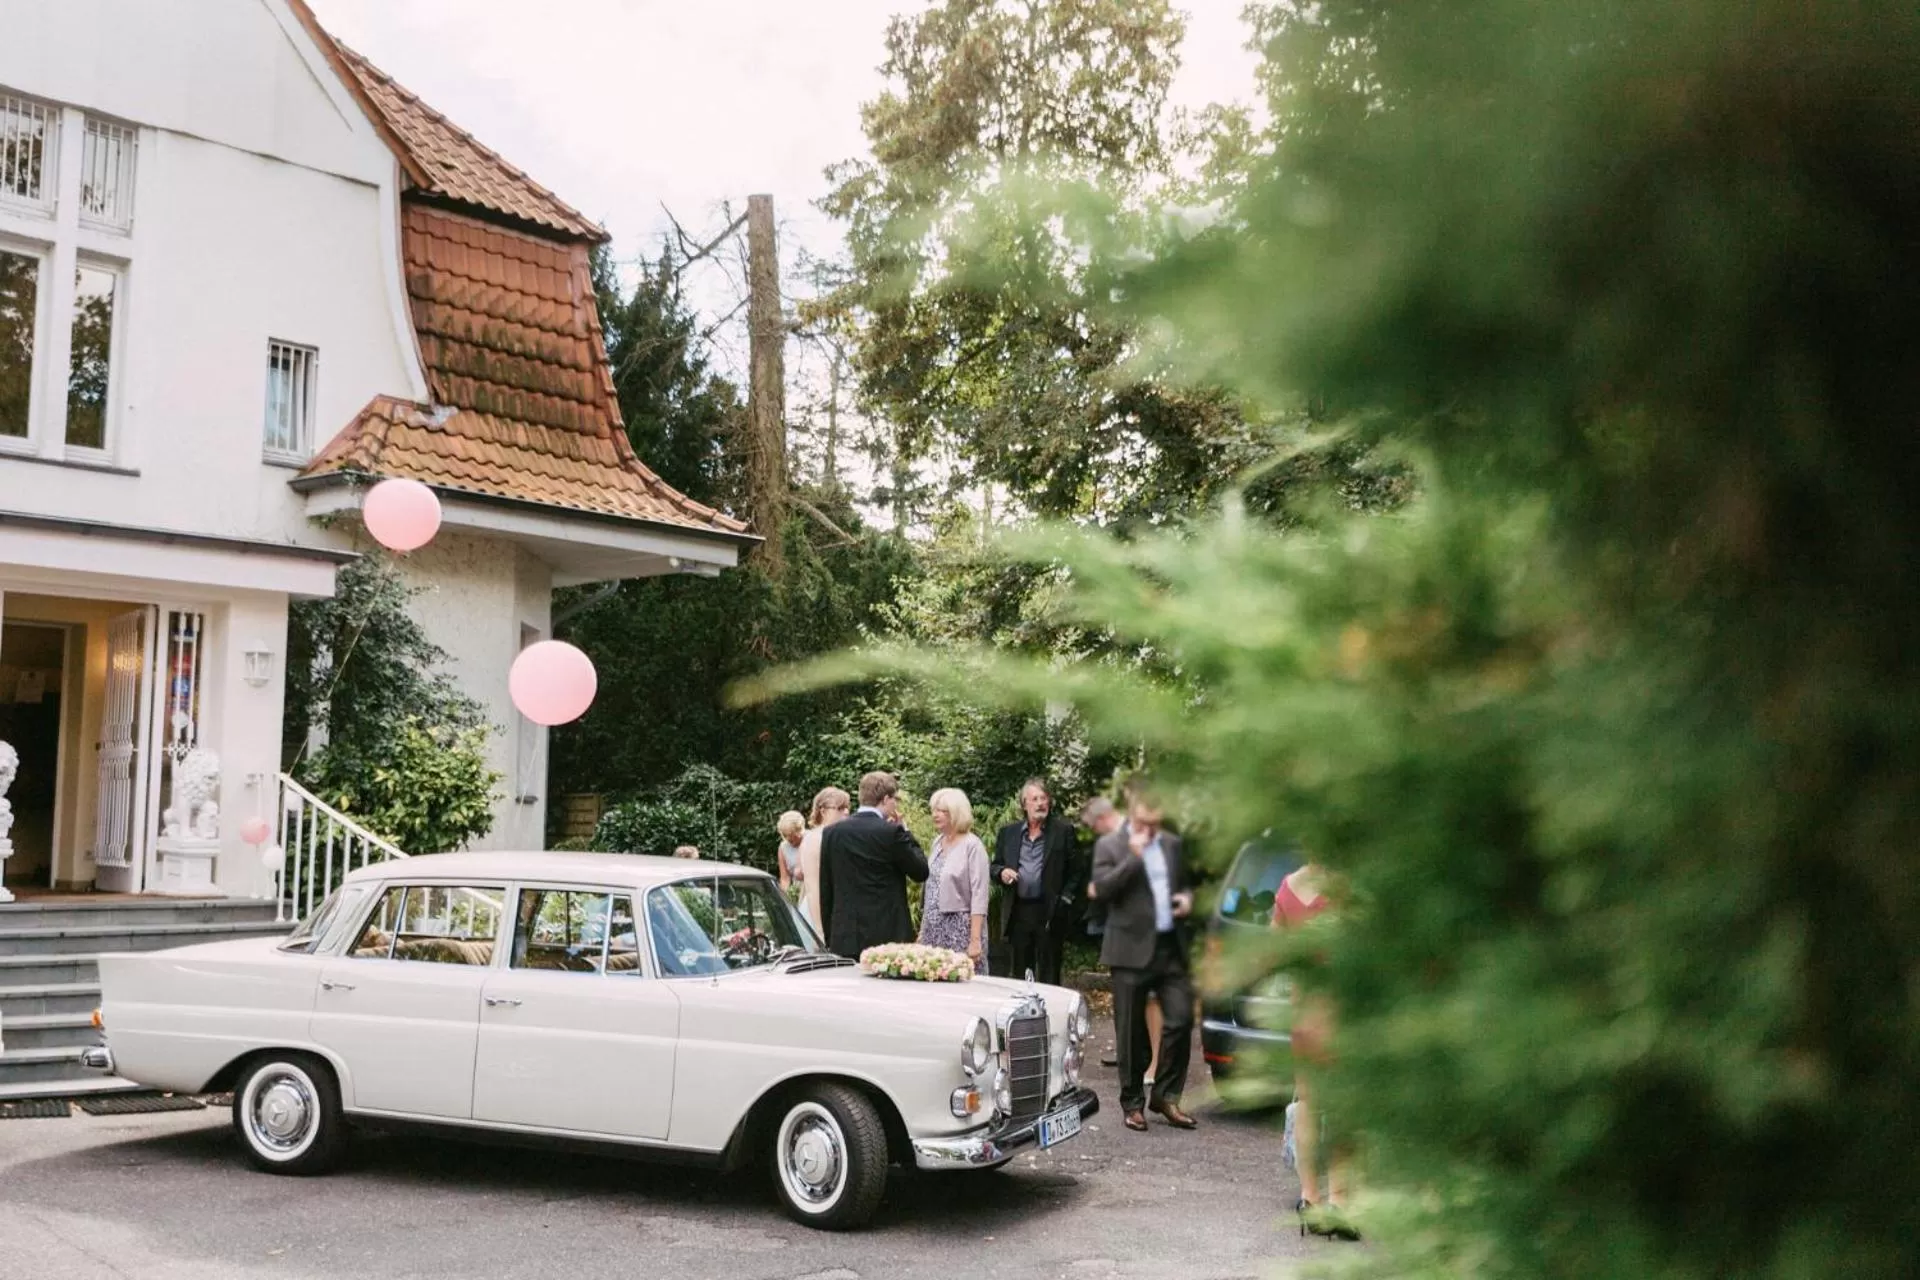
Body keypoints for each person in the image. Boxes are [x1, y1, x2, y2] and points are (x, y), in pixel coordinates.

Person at [1090, 791, 1197, 1133]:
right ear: (1133, 811)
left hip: (1169, 947)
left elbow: (1184, 886)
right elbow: (1102, 890)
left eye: (1156, 820)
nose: (1151, 827)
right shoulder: (1110, 845)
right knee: (1130, 1033)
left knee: (1181, 1019)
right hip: (1129, 950)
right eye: (1145, 820)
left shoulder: (1172, 844)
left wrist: (1186, 900)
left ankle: (1166, 1096)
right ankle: (1133, 1103)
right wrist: (1133, 859)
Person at [1275, 858, 1357, 1240]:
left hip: (1303, 1011)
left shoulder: (1287, 888)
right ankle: (1339, 1202)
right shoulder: (1347, 889)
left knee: (1308, 1103)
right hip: (1342, 1009)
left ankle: (1310, 1199)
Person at [818, 771, 929, 960]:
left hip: (846, 937)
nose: (896, 805)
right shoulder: (891, 832)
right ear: (885, 799)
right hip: (888, 938)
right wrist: (905, 830)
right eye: (895, 799)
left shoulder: (832, 833)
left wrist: (831, 936)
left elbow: (826, 888)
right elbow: (920, 871)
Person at [992, 777, 1076, 984]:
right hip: (1019, 911)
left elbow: (1077, 871)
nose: (1040, 803)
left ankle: (1051, 1005)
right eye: (1035, 799)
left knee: (1049, 972)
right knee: (1020, 972)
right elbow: (995, 866)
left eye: (1044, 798)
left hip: (1049, 912)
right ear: (1024, 804)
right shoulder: (1008, 833)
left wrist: (1065, 900)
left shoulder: (1063, 831)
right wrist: (1002, 872)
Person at [919, 787, 991, 973]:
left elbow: (980, 895)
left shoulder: (973, 845)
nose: (935, 815)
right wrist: (922, 930)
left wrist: (975, 940)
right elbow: (930, 888)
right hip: (933, 930)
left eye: (942, 811)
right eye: (934, 810)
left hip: (960, 930)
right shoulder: (937, 842)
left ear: (957, 813)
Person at [796, 786, 849, 935]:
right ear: (823, 811)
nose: (846, 812)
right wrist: (819, 930)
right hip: (818, 911)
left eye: (847, 807)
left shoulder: (843, 837)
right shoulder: (814, 839)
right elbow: (812, 888)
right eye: (840, 808)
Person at [774, 810, 805, 894]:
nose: (788, 838)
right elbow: (785, 878)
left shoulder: (812, 839)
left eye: (791, 834)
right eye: (784, 835)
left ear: (799, 830)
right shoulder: (783, 847)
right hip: (797, 890)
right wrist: (786, 896)